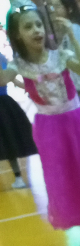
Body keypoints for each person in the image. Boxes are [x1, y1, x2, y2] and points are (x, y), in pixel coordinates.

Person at [2, 2, 80, 246]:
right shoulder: (19, 66)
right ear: (17, 35)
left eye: (38, 24)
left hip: (79, 121)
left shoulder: (60, 56)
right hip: (50, 130)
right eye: (28, 27)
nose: (36, 30)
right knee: (67, 179)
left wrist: (72, 38)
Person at [0, 49, 37, 190]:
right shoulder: (2, 57)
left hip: (3, 103)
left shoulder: (1, 57)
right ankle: (18, 178)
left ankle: (18, 177)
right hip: (4, 103)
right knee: (9, 140)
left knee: (9, 140)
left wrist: (27, 87)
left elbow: (6, 79)